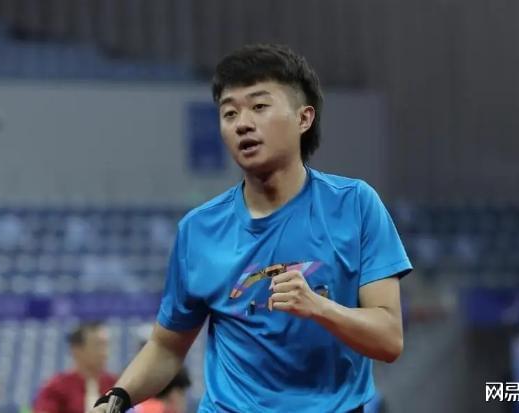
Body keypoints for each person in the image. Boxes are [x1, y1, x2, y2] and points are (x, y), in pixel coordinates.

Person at [90, 43, 412, 413]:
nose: (242, 123)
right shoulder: (198, 230)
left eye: (259, 107)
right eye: (229, 113)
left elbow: (389, 339)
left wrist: (319, 307)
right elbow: (167, 346)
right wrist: (116, 398)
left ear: (304, 118)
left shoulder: (354, 205)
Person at [34, 322, 118, 413]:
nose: (104, 353)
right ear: (76, 350)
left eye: (106, 345)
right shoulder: (56, 387)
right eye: (98, 345)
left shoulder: (116, 384)